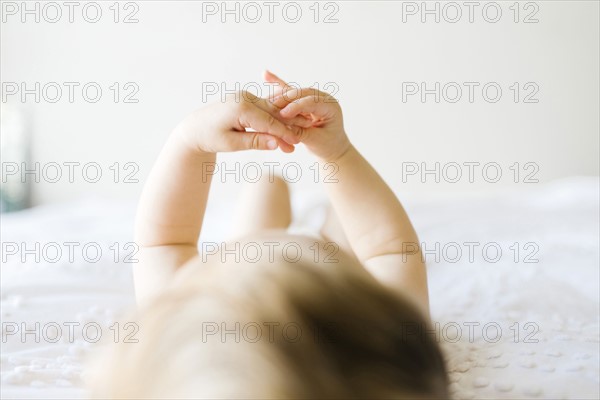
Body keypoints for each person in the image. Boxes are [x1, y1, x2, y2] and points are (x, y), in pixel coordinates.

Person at [90, 71, 448, 399]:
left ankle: (269, 192)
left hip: (245, 253)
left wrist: (190, 141)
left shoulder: (176, 344)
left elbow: (166, 240)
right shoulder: (391, 344)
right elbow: (386, 248)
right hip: (326, 258)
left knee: (264, 191)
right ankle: (297, 212)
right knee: (343, 220)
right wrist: (337, 153)